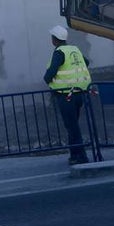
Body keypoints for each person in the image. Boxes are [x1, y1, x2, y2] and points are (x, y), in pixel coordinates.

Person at [43, 24, 92, 165]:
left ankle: (81, 156)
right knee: (72, 125)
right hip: (79, 93)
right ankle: (74, 155)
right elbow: (86, 62)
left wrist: (47, 79)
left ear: (54, 39)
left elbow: (51, 72)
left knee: (72, 126)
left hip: (66, 95)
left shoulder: (59, 52)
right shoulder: (74, 49)